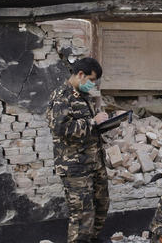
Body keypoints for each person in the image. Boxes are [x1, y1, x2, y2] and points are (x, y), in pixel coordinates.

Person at [47, 57, 109, 243]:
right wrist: (92, 121)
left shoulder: (83, 96)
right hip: (75, 168)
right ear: (80, 75)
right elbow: (61, 128)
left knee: (101, 206)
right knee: (82, 215)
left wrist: (104, 122)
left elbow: (88, 129)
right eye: (91, 80)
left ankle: (93, 239)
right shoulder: (61, 96)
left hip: (94, 163)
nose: (92, 85)